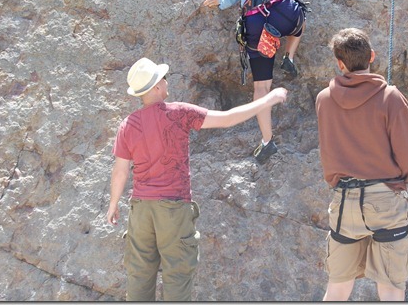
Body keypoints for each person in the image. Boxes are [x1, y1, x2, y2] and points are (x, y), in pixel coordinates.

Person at [106, 57, 288, 301]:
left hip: (139, 209)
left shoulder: (127, 125)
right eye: (164, 78)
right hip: (173, 207)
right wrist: (268, 99)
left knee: (139, 276)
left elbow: (120, 171)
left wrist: (113, 204)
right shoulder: (179, 113)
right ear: (158, 86)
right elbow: (227, 118)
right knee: (177, 275)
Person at [315, 28, 408, 301]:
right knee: (391, 289)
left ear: (340, 63)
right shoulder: (391, 97)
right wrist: (401, 182)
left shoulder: (324, 99)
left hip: (344, 201)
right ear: (371, 56)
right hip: (385, 197)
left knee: (337, 288)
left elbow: (328, 149)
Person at [203, 0, 309, 163]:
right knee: (300, 16)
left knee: (262, 88)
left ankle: (267, 141)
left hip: (256, 22)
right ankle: (289, 57)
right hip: (282, 12)